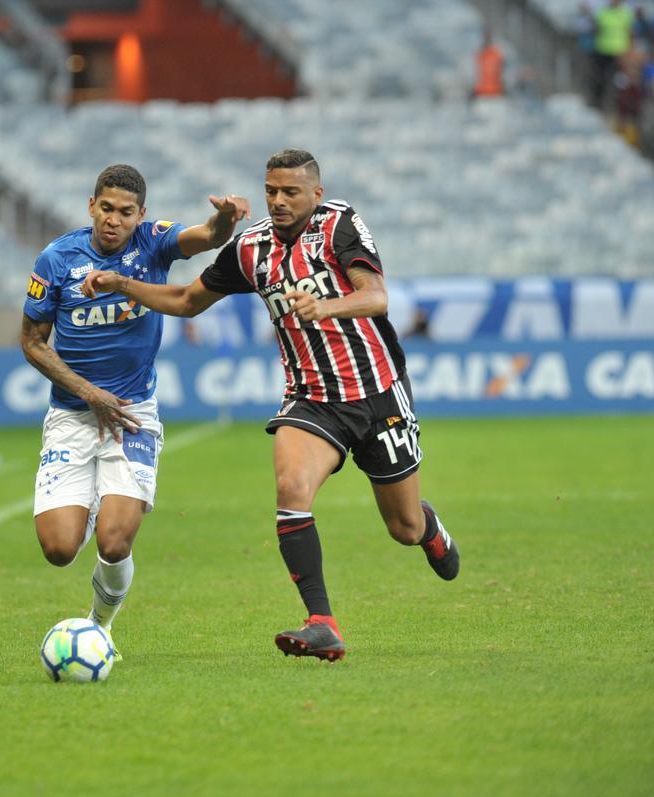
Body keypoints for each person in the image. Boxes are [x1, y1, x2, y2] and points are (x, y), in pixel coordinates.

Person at [83, 150, 460, 661]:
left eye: (290, 192)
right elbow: (188, 302)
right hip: (311, 399)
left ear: (315, 194)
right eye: (271, 191)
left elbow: (376, 298)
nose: (278, 201)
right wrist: (124, 284)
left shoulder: (338, 225)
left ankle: (428, 526)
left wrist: (324, 304)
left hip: (376, 394)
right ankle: (321, 621)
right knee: (291, 488)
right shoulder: (251, 249)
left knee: (404, 528)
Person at [21, 163, 250, 651]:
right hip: (73, 415)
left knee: (114, 542)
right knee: (59, 549)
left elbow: (207, 236)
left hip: (132, 416)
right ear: (91, 206)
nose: (114, 220)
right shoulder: (56, 260)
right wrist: (88, 392)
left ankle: (99, 626)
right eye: (106, 208)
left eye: (126, 212)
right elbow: (33, 342)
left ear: (140, 215)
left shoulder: (153, 242)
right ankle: (88, 504)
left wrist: (226, 221)